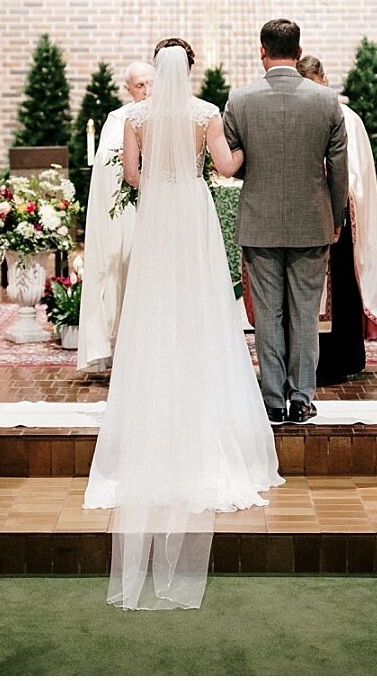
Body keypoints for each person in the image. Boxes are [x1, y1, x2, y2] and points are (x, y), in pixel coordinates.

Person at [84, 40, 282, 611]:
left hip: (158, 215)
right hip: (192, 210)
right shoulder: (205, 115)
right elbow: (226, 167)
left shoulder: (136, 117)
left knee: (153, 305)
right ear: (190, 69)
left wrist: (162, 179)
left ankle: (154, 403)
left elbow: (132, 175)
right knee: (200, 305)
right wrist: (240, 156)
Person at [223, 20, 349, 423]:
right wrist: (335, 217)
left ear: (262, 50)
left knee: (268, 314)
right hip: (312, 220)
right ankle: (301, 398)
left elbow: (232, 162)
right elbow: (339, 168)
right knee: (305, 314)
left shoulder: (239, 100)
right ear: (298, 52)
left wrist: (257, 176)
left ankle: (273, 399)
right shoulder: (327, 101)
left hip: (259, 221)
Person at [296, 56, 377, 382]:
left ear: (323, 80)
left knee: (341, 287)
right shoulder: (305, 112)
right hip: (313, 212)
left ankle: (341, 358)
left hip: (339, 213)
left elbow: (356, 172)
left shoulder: (347, 117)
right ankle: (318, 361)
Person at [77, 60, 155, 373]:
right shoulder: (119, 118)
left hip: (160, 208)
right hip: (130, 211)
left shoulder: (168, 115)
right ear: (128, 89)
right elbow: (108, 166)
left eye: (151, 83)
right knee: (126, 269)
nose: (147, 91)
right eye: (140, 85)